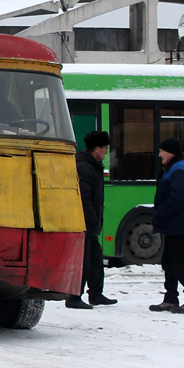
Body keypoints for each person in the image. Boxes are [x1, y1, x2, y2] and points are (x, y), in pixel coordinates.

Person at [149, 137, 184, 314]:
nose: (160, 154)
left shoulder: (178, 169)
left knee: (178, 262)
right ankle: (170, 297)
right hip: (174, 223)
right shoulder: (176, 167)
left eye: (162, 151)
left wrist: (160, 213)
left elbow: (177, 198)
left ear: (171, 152)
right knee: (169, 261)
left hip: (176, 224)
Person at [67, 130, 117, 309]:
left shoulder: (92, 165)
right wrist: (92, 219)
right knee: (84, 259)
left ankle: (95, 293)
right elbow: (84, 198)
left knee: (95, 257)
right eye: (104, 149)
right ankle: (73, 297)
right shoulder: (85, 167)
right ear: (96, 149)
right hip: (84, 222)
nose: (106, 152)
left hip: (90, 220)